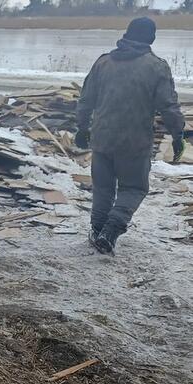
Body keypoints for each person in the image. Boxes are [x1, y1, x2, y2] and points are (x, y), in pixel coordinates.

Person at [75, 16, 187, 254]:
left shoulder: (103, 63)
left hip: (102, 139)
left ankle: (97, 230)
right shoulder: (156, 67)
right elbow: (169, 107)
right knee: (134, 188)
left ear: (126, 34)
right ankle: (110, 231)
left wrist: (82, 128)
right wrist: (178, 136)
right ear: (151, 38)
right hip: (135, 143)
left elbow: (85, 100)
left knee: (103, 188)